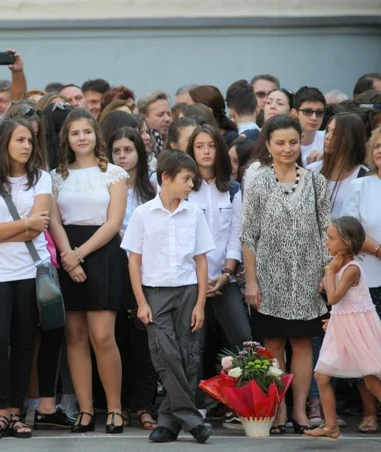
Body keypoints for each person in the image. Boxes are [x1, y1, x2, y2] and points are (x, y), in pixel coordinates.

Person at [240, 115, 331, 435]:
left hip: (307, 277)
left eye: (293, 141)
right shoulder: (259, 182)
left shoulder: (316, 182)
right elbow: (248, 236)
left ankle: (300, 411)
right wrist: (251, 282)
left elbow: (325, 233)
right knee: (274, 343)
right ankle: (277, 410)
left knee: (304, 343)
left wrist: (326, 274)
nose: (287, 148)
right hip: (269, 278)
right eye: (280, 142)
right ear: (268, 145)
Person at [121, 150, 215, 444]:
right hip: (155, 293)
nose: (191, 185)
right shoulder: (142, 214)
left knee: (187, 356)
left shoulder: (195, 213)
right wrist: (141, 302)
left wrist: (200, 303)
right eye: (187, 179)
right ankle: (192, 421)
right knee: (165, 354)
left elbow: (201, 261)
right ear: (166, 178)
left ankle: (168, 423)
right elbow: (133, 261)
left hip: (188, 292)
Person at [49, 109, 129, 434]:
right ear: (66, 139)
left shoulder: (115, 174)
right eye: (74, 133)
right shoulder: (56, 176)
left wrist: (80, 254)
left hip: (102, 253)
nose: (81, 137)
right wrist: (68, 255)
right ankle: (84, 410)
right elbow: (52, 218)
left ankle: (114, 409)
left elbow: (114, 222)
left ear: (96, 135)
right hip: (67, 249)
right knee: (75, 336)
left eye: (87, 131)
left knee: (102, 336)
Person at [0, 118, 52, 439]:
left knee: (23, 342)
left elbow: (39, 227)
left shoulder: (42, 179)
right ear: (5, 142)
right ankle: (1, 411)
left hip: (29, 269)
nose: (26, 146)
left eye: (30, 141)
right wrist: (21, 225)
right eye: (20, 140)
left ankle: (16, 413)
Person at [185, 125, 251, 427]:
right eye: (199, 146)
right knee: (193, 345)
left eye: (211, 145)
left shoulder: (233, 188)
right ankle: (196, 407)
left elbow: (236, 236)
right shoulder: (184, 188)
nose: (206, 151)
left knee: (243, 338)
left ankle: (246, 403)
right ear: (191, 151)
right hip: (190, 281)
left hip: (223, 280)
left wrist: (226, 273)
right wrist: (199, 280)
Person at [305, 217, 381, 439]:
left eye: (331, 238)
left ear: (346, 243)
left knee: (371, 380)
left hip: (358, 330)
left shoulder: (351, 269)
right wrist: (336, 320)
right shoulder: (339, 266)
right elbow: (344, 306)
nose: (326, 242)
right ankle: (331, 426)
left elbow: (334, 298)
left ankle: (330, 426)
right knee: (321, 375)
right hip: (342, 327)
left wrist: (328, 273)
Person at [107, 127, 159, 430]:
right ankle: (123, 404)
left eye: (128, 150)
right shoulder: (106, 184)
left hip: (147, 272)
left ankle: (144, 405)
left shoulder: (151, 186)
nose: (123, 156)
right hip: (114, 269)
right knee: (118, 340)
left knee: (145, 342)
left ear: (140, 152)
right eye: (117, 151)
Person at [340, 126, 381, 433]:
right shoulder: (360, 187)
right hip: (368, 278)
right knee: (366, 349)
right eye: (377, 146)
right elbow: (349, 232)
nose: (380, 151)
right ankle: (369, 412)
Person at [291, 86, 326, 166]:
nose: (314, 118)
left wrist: (329, 155)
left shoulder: (328, 138)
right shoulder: (284, 141)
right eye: (307, 111)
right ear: (294, 113)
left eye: (319, 112)